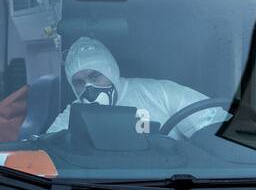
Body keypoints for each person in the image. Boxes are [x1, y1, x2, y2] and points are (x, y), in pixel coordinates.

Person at [45, 36, 223, 139]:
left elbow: (215, 133)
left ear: (111, 71)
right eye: (79, 82)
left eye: (95, 76)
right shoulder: (71, 115)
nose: (88, 87)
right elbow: (46, 149)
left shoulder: (161, 93)